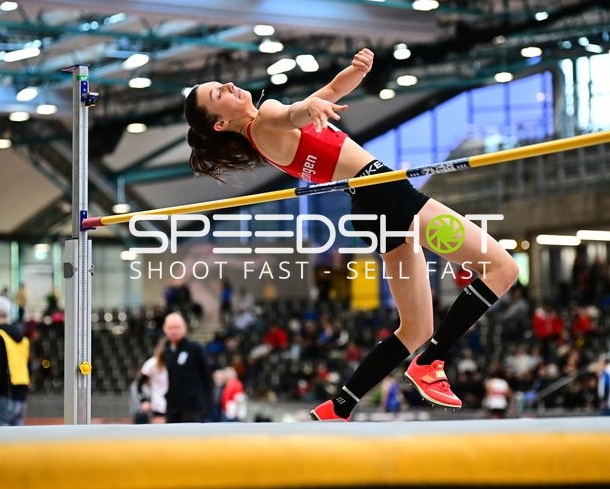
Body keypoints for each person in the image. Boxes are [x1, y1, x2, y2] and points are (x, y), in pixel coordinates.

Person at [184, 48, 519, 421]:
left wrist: (355, 73)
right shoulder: (265, 119)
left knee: (416, 328)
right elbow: (293, 112)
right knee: (502, 268)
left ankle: (338, 407)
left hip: (369, 206)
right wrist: (307, 110)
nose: (229, 85)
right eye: (219, 94)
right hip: (385, 193)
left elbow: (326, 93)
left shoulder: (265, 134)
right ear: (219, 124)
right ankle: (432, 362)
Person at [0, 295, 31, 426]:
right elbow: (28, 366)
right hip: (20, 398)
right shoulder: (22, 337)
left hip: (1, 398)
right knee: (15, 444)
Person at [161, 312, 213, 423]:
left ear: (184, 327)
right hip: (172, 408)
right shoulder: (166, 351)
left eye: (177, 327)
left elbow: (207, 378)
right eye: (170, 328)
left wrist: (206, 406)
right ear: (165, 329)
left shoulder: (195, 348)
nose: (174, 331)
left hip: (193, 409)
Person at [140, 337, 168, 423]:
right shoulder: (152, 364)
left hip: (176, 403)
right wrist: (144, 400)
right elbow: (139, 385)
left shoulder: (177, 362)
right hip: (159, 404)